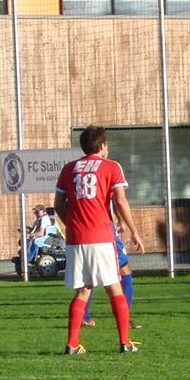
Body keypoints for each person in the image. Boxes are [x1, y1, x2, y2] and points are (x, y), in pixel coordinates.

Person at [54, 125, 144, 353]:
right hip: (101, 237)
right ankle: (125, 342)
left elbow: (58, 205)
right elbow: (120, 201)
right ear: (103, 145)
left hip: (75, 239)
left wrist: (72, 225)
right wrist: (134, 230)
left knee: (83, 289)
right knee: (114, 287)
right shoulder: (111, 166)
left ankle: (72, 344)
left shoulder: (68, 169)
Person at [84, 218, 138, 330]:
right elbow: (120, 205)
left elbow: (60, 208)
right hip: (104, 227)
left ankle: (83, 317)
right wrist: (132, 230)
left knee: (88, 275)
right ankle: (124, 318)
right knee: (124, 271)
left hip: (82, 232)